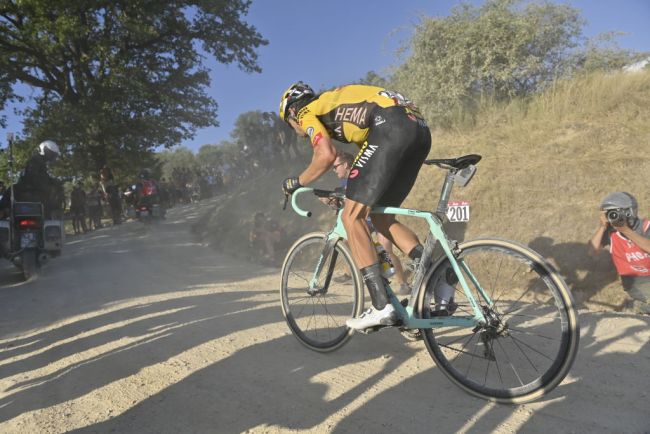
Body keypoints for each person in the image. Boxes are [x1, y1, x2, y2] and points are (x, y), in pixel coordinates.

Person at [279, 82, 431, 330]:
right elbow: (370, 164)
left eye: (290, 123)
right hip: (418, 129)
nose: (296, 128)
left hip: (390, 127)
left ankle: (381, 306)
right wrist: (349, 190)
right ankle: (439, 280)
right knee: (382, 219)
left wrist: (297, 182)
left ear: (291, 113)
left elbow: (326, 155)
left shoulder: (307, 111)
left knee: (351, 218)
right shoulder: (337, 103)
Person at [323, 150, 411, 295]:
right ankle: (351, 273)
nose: (334, 170)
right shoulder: (344, 180)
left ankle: (403, 284)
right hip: (363, 218)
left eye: (335, 166)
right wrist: (332, 202)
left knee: (387, 251)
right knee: (347, 241)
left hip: (377, 216)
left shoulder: (358, 174)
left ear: (345, 165)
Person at [588, 192, 650, 314]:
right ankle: (637, 306)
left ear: (630, 212)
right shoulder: (611, 233)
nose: (614, 216)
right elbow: (592, 251)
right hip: (635, 280)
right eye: (610, 213)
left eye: (616, 212)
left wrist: (626, 230)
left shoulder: (646, 226)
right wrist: (602, 227)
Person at [0, 140, 62, 219]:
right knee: (11, 189)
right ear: (45, 150)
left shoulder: (38, 161)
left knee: (10, 190)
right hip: (34, 190)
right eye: (51, 154)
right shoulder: (36, 160)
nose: (51, 157)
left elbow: (39, 177)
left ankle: (2, 211)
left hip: (31, 190)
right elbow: (33, 177)